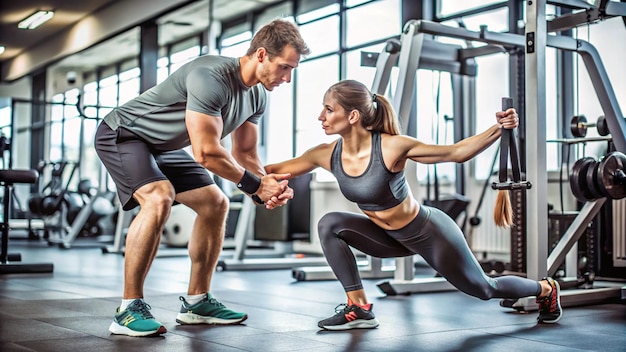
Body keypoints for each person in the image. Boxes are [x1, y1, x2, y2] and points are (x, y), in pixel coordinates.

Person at [264, 79, 562, 331]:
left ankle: (545, 289)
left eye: (328, 109)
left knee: (485, 289)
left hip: (429, 233)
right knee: (330, 223)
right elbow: (271, 169)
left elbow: (456, 152)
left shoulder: (391, 146)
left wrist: (498, 128)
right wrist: (234, 161)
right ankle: (359, 308)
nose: (321, 116)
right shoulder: (325, 153)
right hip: (387, 237)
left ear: (353, 116)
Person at [94, 19, 308, 337]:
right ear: (262, 54)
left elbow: (246, 154)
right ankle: (128, 309)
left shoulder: (258, 96)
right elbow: (206, 153)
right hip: (124, 134)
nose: (287, 78)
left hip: (163, 147)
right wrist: (254, 186)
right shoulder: (211, 76)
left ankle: (197, 302)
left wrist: (267, 187)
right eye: (284, 68)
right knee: (159, 196)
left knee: (215, 203)